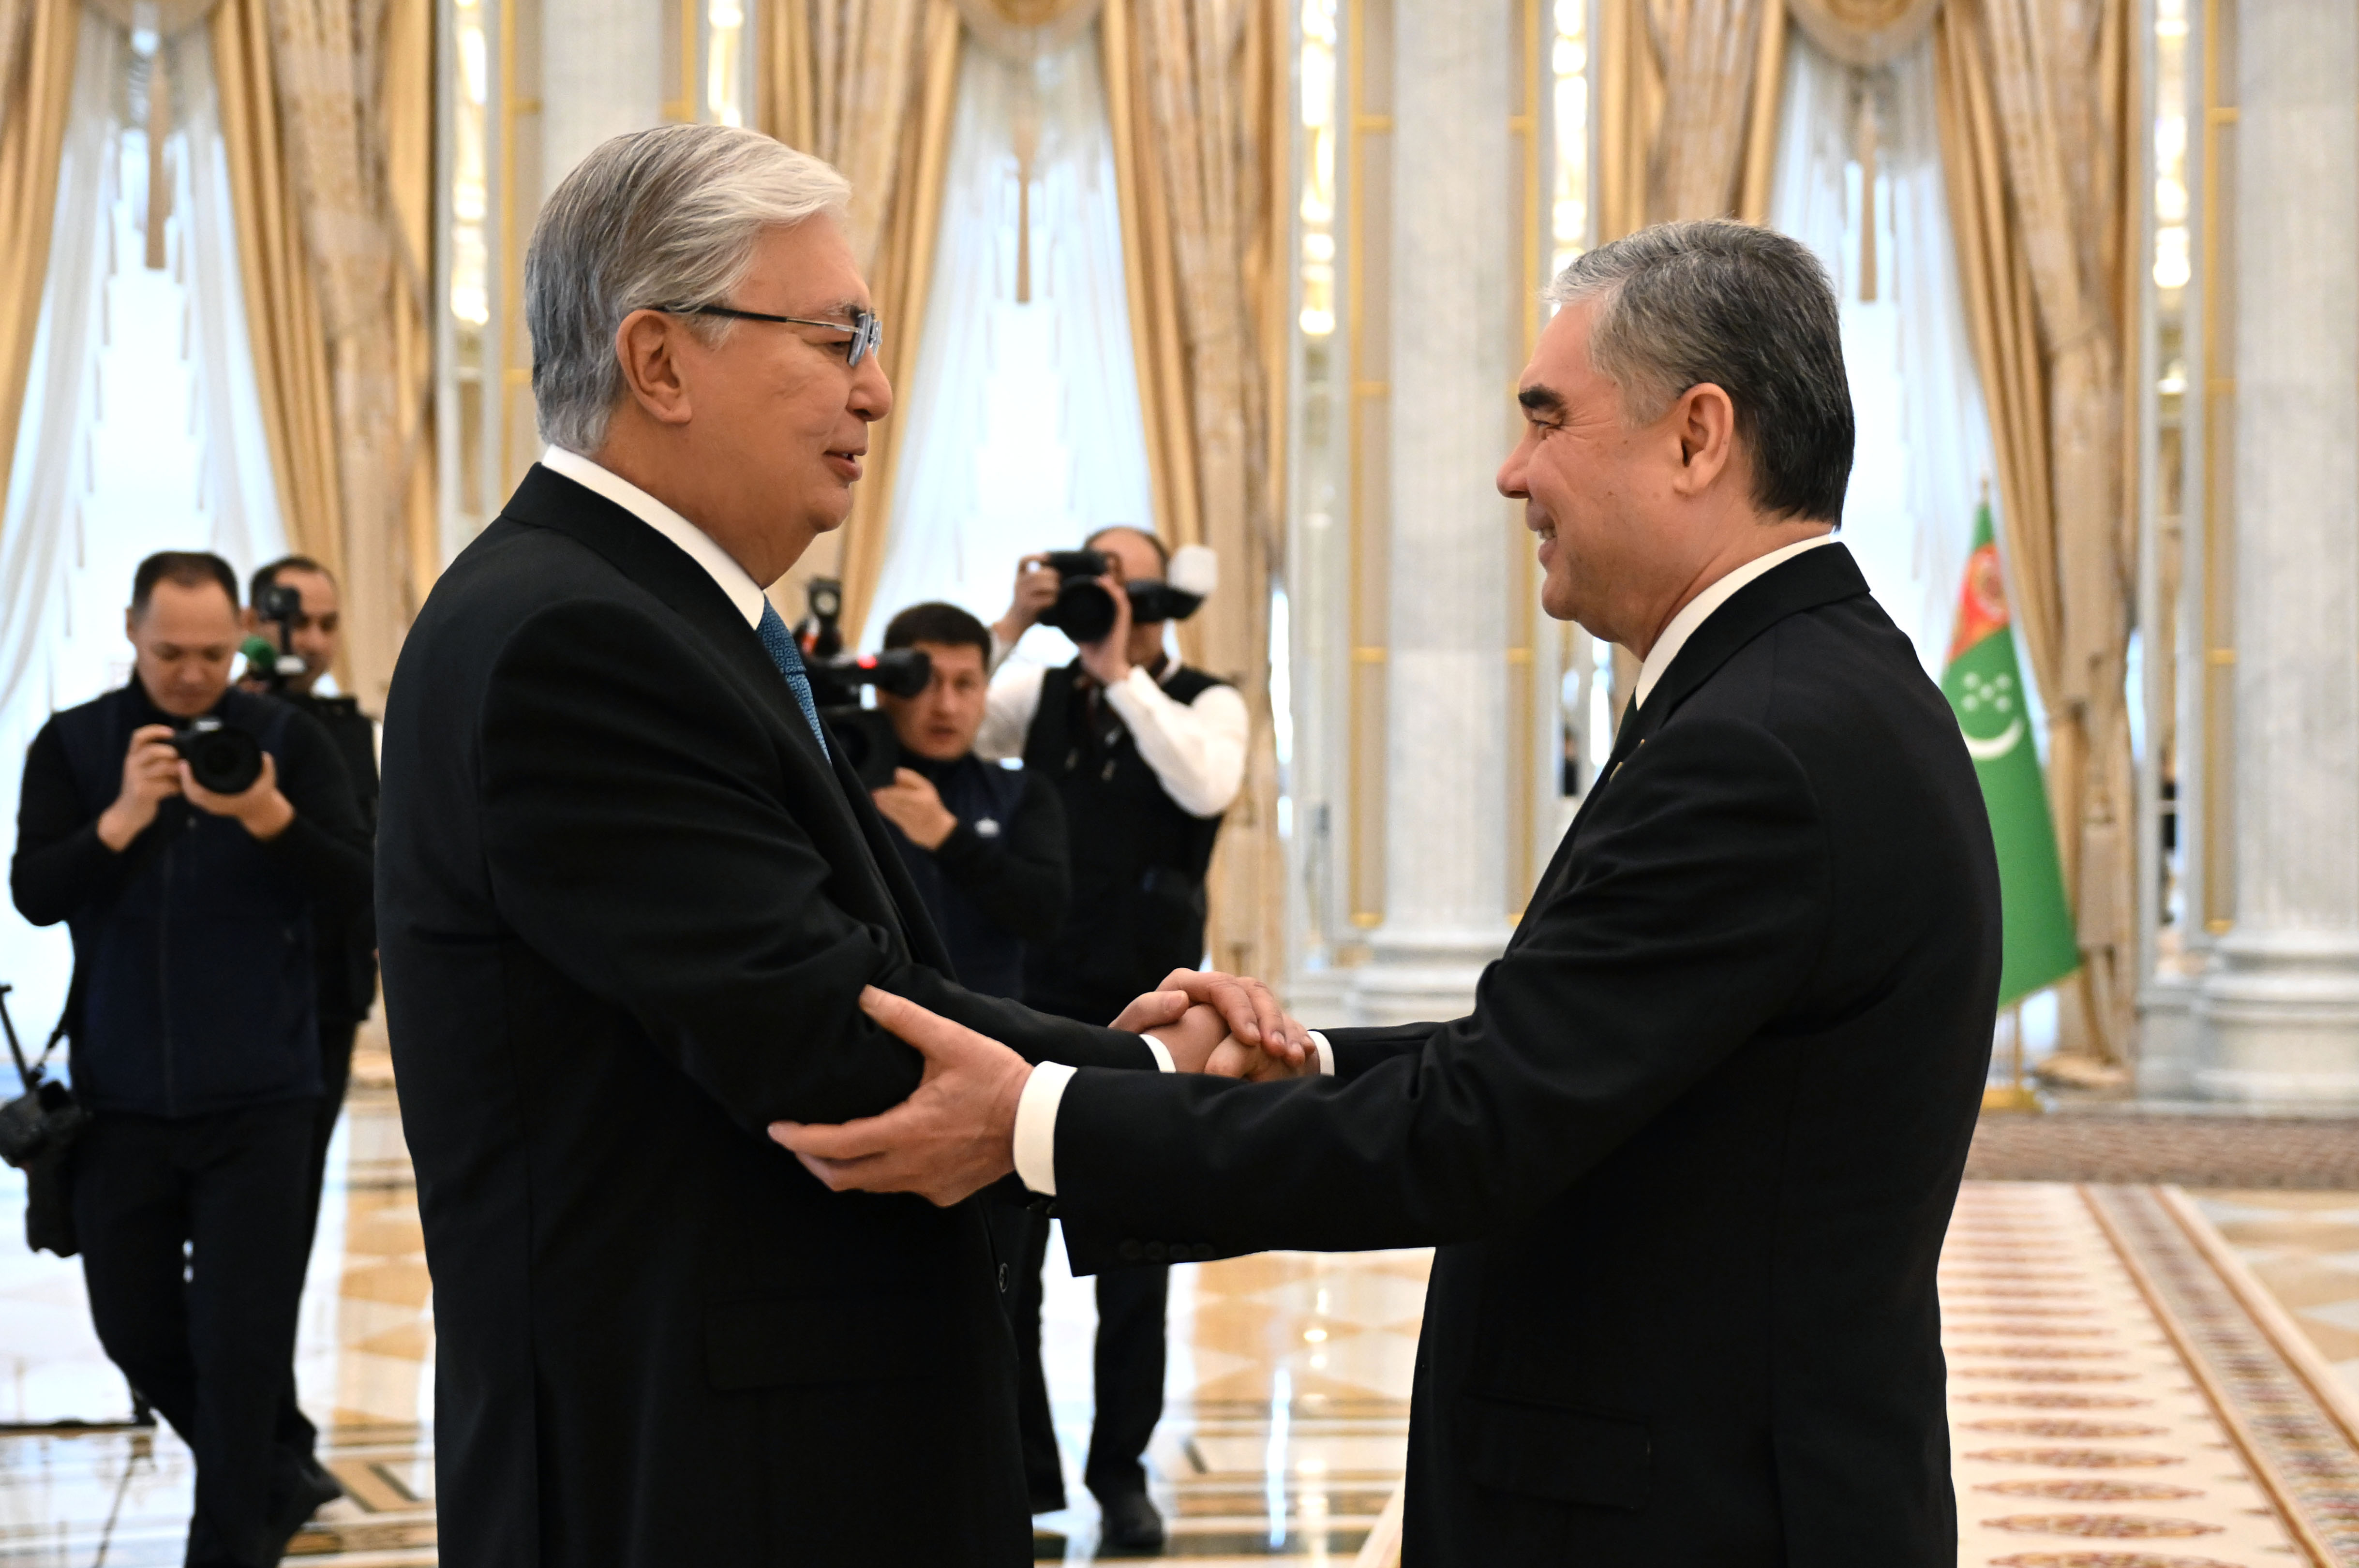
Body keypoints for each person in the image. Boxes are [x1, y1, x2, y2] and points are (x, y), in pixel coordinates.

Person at [776, 220, 2004, 1566]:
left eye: (1546, 417)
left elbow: (1477, 1131)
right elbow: (1578, 1059)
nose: (1511, 471)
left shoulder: (1758, 743)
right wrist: (1291, 1061)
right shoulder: (1800, 688)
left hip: (1697, 1511)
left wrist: (1034, 1123)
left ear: (1695, 437)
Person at [373, 123, 1303, 1568]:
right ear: (659, 360)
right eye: (836, 337)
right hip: (700, 1476)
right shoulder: (577, 639)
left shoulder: (643, 613)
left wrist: (1094, 1054)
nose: (874, 387)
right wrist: (1159, 1075)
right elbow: (827, 1035)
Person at [11, 550, 371, 1568]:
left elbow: (363, 886)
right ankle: (269, 1477)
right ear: (132, 629)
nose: (192, 673)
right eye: (170, 651)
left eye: (213, 654)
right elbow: (34, 892)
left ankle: (228, 1542)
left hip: (264, 1097)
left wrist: (268, 818)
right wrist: (121, 820)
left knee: (242, 1345)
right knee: (134, 1329)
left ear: (240, 637)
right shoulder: (76, 743)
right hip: (119, 1099)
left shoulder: (288, 743)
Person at [978, 524, 1249, 1549]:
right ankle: (1023, 1481)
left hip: (1154, 1019)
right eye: (1096, 581)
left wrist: (1122, 675)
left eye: (1126, 584)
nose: (1109, 601)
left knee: (1138, 1257)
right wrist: (1014, 623)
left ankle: (1121, 1473)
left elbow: (1203, 786)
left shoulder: (1206, 699)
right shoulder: (1042, 694)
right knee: (1011, 1257)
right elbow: (950, 723)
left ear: (1162, 599)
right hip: (1033, 1001)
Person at [867, 599, 1073, 1510]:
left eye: (966, 683)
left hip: (1004, 1086)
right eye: (924, 680)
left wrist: (947, 837)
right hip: (871, 1078)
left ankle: (1018, 1494)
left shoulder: (1021, 793)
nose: (945, 703)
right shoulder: (842, 783)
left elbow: (1044, 909)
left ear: (988, 691)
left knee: (1007, 1299)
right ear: (887, 684)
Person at [243, 554, 381, 1474]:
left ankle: (273, 1428)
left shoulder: (344, 729)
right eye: (295, 620)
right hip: (226, 998)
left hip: (323, 1003)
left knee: (284, 1223)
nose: (313, 641)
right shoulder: (222, 719)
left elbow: (367, 859)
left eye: (328, 624)